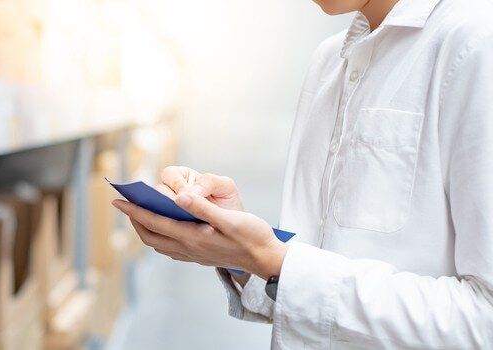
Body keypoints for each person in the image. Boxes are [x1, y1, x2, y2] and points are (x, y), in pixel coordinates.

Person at [112, 0, 493, 348]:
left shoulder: (476, 43)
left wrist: (273, 259)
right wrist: (238, 250)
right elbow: (308, 293)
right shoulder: (329, 62)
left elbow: (484, 322)